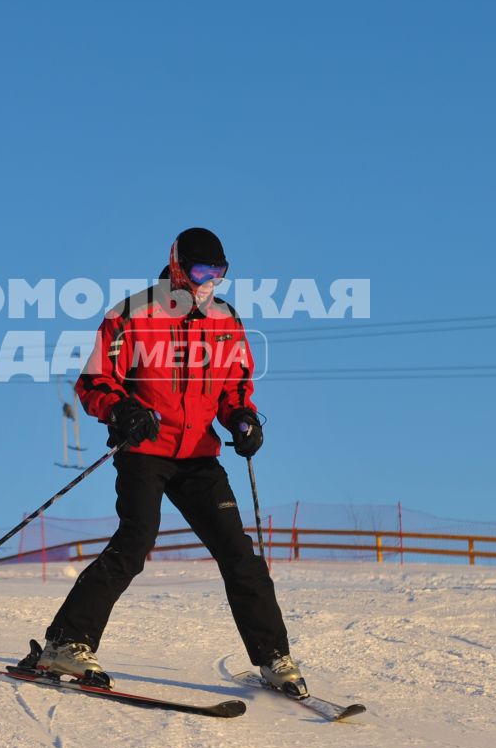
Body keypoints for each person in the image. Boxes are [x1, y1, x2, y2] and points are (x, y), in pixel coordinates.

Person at [25, 227, 307, 697]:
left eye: (218, 273)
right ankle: (65, 642)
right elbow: (93, 383)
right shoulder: (133, 315)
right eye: (201, 271)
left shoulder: (225, 320)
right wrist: (122, 410)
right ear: (178, 266)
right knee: (135, 543)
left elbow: (234, 385)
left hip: (198, 453)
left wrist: (242, 418)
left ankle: (273, 658)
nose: (208, 282)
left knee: (240, 556)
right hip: (145, 449)